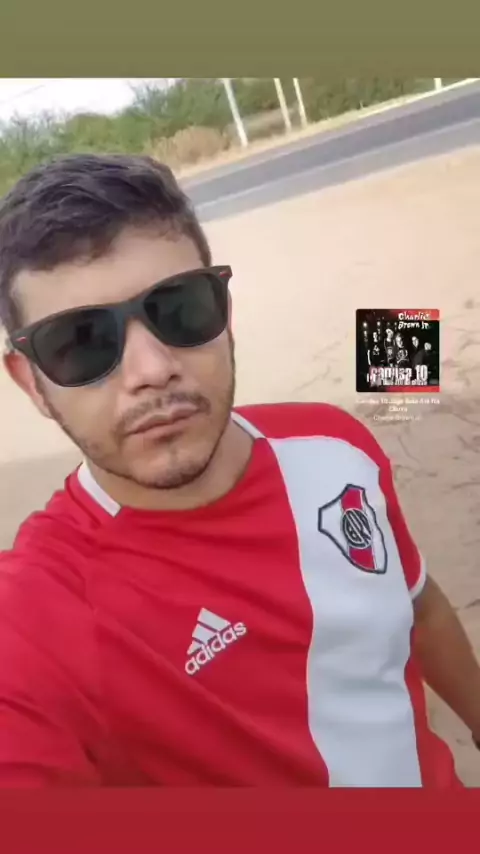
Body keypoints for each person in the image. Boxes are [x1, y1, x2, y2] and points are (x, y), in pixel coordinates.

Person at [0, 153, 479, 788]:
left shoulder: (336, 444)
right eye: (81, 342)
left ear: (223, 310)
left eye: (180, 307)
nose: (152, 369)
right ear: (31, 383)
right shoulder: (41, 614)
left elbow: (418, 607)